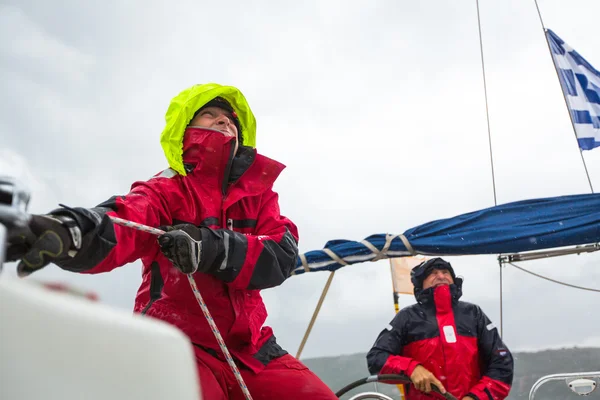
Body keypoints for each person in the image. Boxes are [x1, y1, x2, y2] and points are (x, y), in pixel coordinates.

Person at [6, 83, 338, 400]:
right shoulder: (165, 191)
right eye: (209, 114)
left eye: (231, 119)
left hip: (253, 350)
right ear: (185, 129)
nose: (225, 119)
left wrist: (209, 247)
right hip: (180, 345)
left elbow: (279, 255)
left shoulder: (260, 197)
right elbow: (124, 221)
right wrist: (69, 232)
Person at [366, 258, 514, 400]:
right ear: (421, 284)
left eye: (445, 272)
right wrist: (412, 368)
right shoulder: (407, 317)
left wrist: (475, 397)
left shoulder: (473, 314)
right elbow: (376, 359)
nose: (440, 276)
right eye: (432, 273)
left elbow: (502, 363)